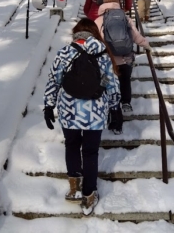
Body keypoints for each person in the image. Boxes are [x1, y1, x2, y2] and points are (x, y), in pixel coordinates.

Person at [43, 18, 122, 216]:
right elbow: (111, 82)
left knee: (71, 145)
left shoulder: (64, 52)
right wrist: (115, 107)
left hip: (69, 110)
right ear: (94, 32)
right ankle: (88, 194)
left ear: (76, 33)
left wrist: (48, 105)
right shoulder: (103, 53)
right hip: (95, 111)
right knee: (90, 151)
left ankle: (73, 186)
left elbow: (54, 80)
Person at [95, 0, 152, 113]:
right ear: (117, 2)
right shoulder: (125, 18)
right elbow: (136, 35)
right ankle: (125, 102)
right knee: (125, 80)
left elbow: (94, 40)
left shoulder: (98, 20)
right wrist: (146, 45)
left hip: (107, 59)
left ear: (103, 2)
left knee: (106, 81)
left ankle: (109, 106)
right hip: (125, 57)